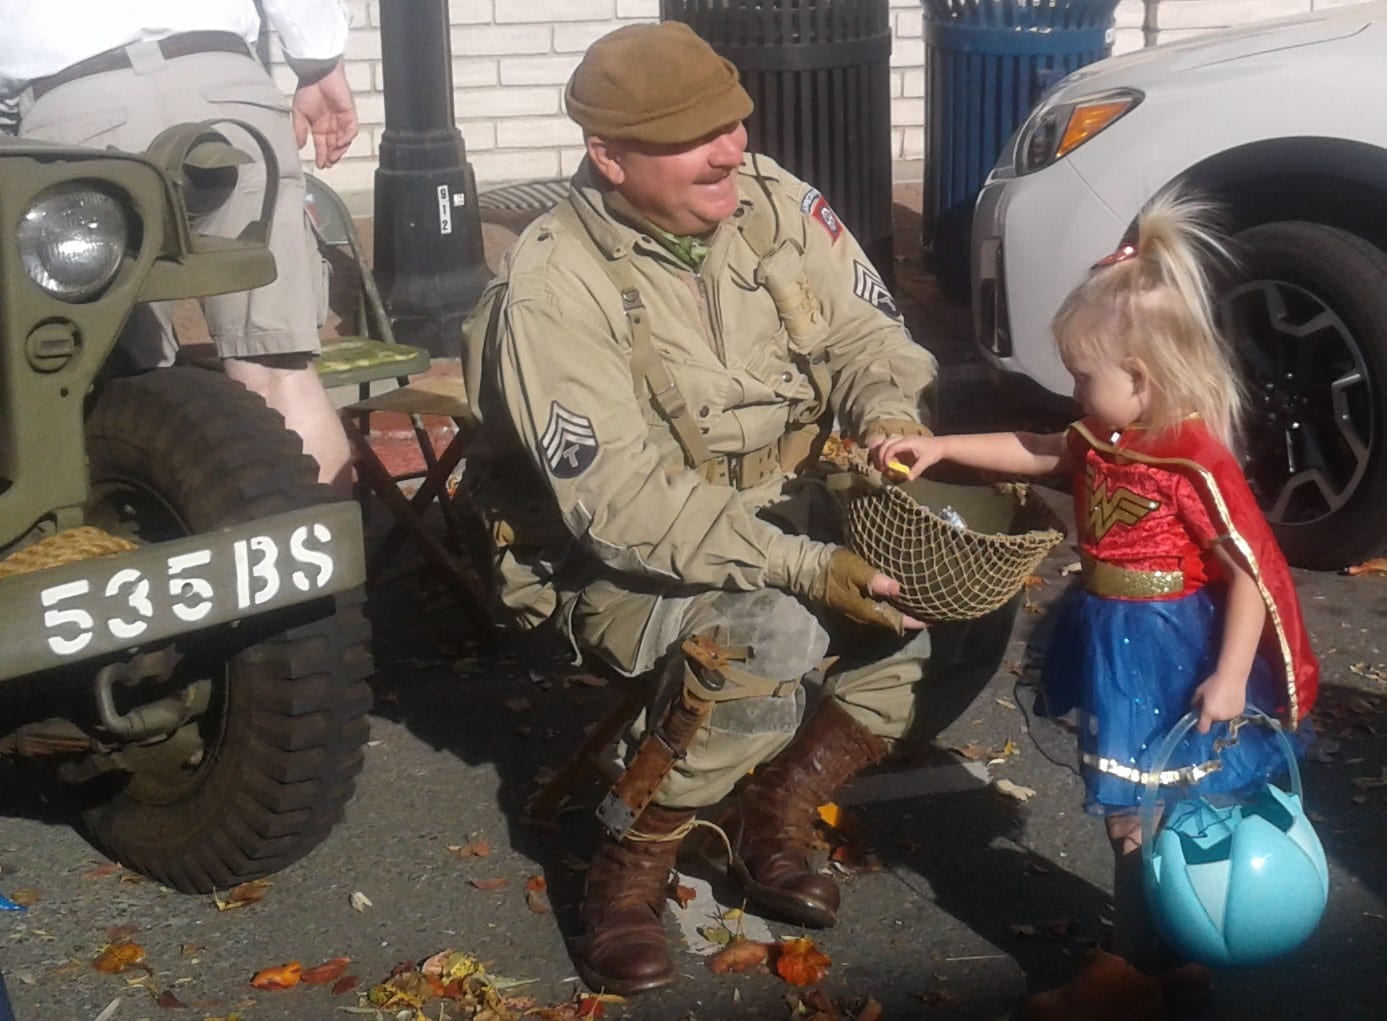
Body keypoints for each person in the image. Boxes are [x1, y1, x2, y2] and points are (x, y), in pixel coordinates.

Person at [460, 20, 1005, 997]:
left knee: (967, 592)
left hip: (789, 506)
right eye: (693, 137)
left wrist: (884, 410)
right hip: (615, 565)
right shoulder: (552, 284)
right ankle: (625, 869)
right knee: (770, 632)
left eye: (733, 125)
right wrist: (805, 567)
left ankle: (779, 809)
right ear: (608, 157)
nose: (731, 150)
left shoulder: (772, 205)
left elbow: (867, 335)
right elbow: (621, 507)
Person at [873, 192, 1319, 1020]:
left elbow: (1252, 572)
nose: (1072, 390)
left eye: (1084, 375)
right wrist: (940, 444)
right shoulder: (1099, 437)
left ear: (1141, 380)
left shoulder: (1191, 464)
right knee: (1139, 808)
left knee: (1152, 811)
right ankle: (1166, 958)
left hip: (1170, 647)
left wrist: (1228, 677)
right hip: (1110, 636)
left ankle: (1127, 969)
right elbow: (1038, 449)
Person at [0, 0, 360, 496]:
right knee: (279, 371)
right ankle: (333, 563)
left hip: (76, 107)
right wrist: (319, 62)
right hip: (224, 87)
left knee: (125, 389)